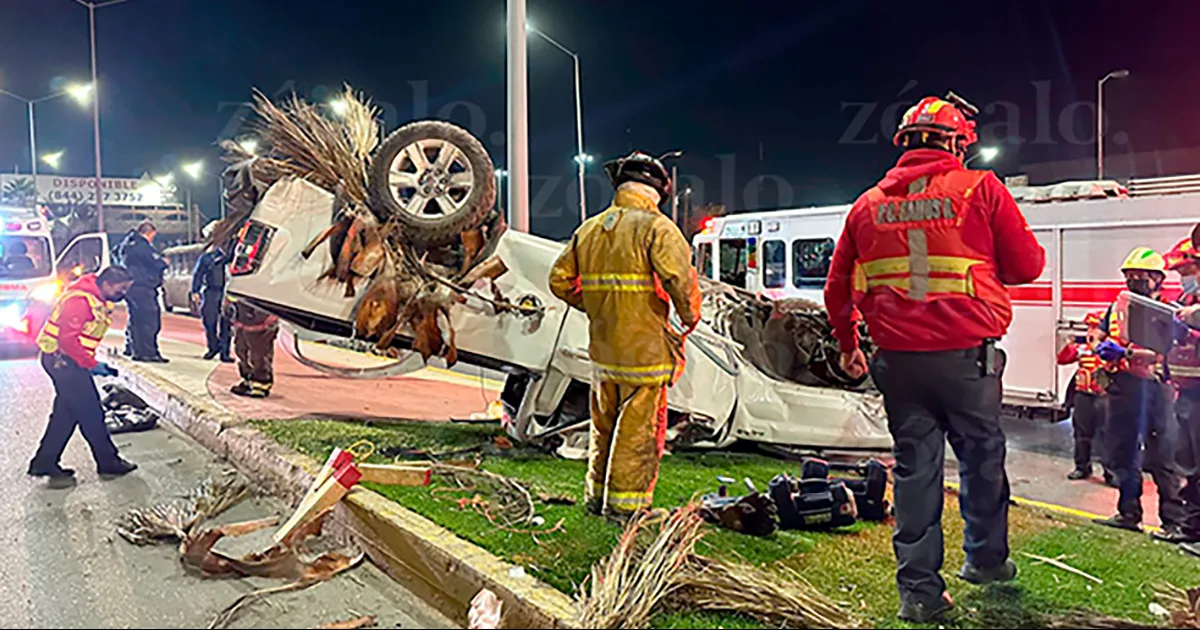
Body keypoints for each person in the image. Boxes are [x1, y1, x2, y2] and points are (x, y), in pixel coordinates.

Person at [824, 94, 1046, 623]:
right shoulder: (980, 189)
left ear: (905, 143)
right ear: (954, 143)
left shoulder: (867, 204)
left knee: (915, 470)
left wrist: (850, 345)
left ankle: (919, 593)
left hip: (898, 362)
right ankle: (986, 561)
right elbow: (1029, 266)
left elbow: (837, 290)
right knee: (981, 459)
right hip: (966, 360)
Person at [548, 150, 701, 521]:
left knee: (604, 427)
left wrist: (597, 305)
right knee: (638, 434)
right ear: (657, 191)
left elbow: (559, 280)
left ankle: (595, 497)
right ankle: (626, 509)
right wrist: (689, 317)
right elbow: (680, 283)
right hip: (644, 355)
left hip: (603, 353)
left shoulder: (590, 229)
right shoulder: (657, 228)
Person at [1094, 247, 1186, 535]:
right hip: (1123, 388)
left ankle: (1173, 521)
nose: (1134, 281)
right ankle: (1127, 514)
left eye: (1141, 276)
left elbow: (1167, 352)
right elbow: (1100, 329)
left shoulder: (1169, 312)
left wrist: (1126, 351)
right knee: (1122, 452)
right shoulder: (1118, 305)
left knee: (1163, 457)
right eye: (1130, 276)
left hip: (1156, 390)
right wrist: (1097, 340)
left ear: (1158, 279)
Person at [28, 266, 139, 480]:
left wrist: (89, 362)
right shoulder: (79, 301)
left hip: (68, 361)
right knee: (91, 413)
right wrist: (90, 364)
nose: (122, 294)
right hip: (63, 361)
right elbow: (68, 340)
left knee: (65, 414)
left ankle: (44, 462)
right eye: (120, 289)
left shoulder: (94, 298)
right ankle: (108, 462)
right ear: (106, 284)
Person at [1151, 239, 1200, 544]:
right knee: (1189, 464)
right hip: (1186, 392)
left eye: (1188, 269)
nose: (1184, 276)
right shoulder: (1185, 298)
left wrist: (1188, 319)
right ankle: (1191, 529)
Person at [1056, 312, 1114, 482]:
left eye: (1095, 327)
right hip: (1083, 395)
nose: (1092, 331)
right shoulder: (1082, 348)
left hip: (1104, 397)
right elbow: (1062, 359)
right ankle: (1082, 467)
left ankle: (1110, 472)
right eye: (1089, 327)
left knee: (1106, 436)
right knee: (1081, 433)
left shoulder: (1110, 348)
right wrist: (1071, 345)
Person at [118, 221, 169, 363]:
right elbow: (156, 262)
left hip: (131, 286)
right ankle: (148, 352)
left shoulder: (127, 244)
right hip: (144, 286)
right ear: (149, 233)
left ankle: (133, 349)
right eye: (153, 236)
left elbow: (115, 253)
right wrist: (164, 262)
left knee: (136, 319)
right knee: (150, 321)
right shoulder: (143, 246)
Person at [191, 239, 233, 362]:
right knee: (209, 321)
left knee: (226, 323)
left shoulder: (232, 257)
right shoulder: (208, 258)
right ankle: (213, 347)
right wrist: (195, 290)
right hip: (211, 291)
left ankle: (225, 352)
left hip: (227, 292)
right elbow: (198, 274)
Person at [229, 296, 279, 398]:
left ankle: (261, 383)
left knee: (259, 352)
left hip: (262, 311)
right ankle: (248, 379)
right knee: (241, 349)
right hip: (243, 311)